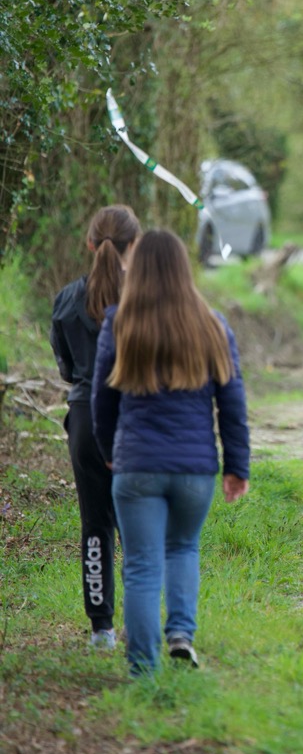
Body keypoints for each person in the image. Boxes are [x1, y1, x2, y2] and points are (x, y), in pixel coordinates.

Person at [91, 228, 250, 675]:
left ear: (137, 268)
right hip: (194, 469)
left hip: (137, 465)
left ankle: (143, 668)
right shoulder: (212, 325)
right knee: (182, 549)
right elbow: (232, 403)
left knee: (142, 566)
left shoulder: (119, 322)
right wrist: (237, 466)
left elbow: (101, 402)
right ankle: (181, 634)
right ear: (184, 269)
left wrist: (110, 451)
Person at [51, 204, 142, 649]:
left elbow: (67, 370)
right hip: (134, 417)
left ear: (90, 244)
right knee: (138, 526)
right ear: (134, 246)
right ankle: (142, 625)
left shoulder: (67, 299)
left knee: (95, 523)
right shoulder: (144, 298)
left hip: (85, 421)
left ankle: (101, 629)